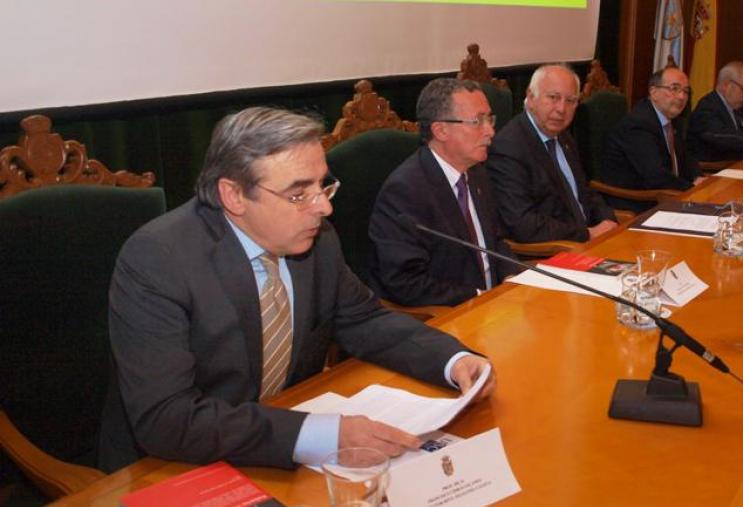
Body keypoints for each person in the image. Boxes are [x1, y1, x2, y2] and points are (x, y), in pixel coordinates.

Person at [98, 107, 495, 473]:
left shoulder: (315, 238)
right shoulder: (159, 259)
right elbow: (168, 419)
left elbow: (364, 319)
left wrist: (452, 359)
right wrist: (319, 436)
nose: (323, 207)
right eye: (298, 194)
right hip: (172, 464)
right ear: (233, 195)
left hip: (278, 437)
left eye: (323, 186)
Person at [368, 79, 520, 307]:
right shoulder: (405, 191)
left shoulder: (476, 172)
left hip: (497, 305)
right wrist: (479, 297)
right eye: (477, 121)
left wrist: (511, 277)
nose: (490, 131)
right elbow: (405, 282)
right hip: (455, 316)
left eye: (490, 119)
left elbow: (495, 240)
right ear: (440, 130)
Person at [487, 64, 618, 243]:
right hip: (553, 252)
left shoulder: (563, 136)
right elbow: (523, 224)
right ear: (531, 97)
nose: (561, 109)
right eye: (553, 98)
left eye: (570, 101)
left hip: (589, 243)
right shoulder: (508, 147)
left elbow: (583, 192)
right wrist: (587, 234)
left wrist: (608, 220)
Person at [600, 67, 705, 213]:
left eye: (686, 91)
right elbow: (655, 175)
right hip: (638, 202)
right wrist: (692, 189)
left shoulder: (673, 119)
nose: (682, 97)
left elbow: (686, 157)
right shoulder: (638, 125)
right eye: (674, 89)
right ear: (653, 92)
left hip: (666, 196)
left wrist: (697, 177)